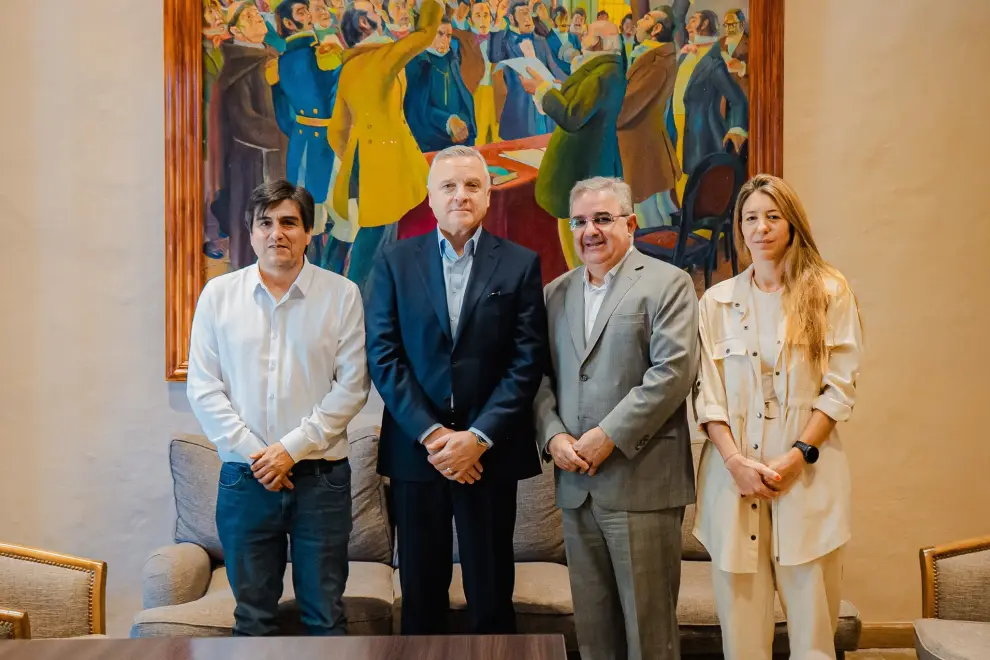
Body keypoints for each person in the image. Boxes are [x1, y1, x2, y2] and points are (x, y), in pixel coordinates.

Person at [365, 146, 548, 635]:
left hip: (490, 453)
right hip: (416, 452)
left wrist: (477, 438)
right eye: (448, 186)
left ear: (488, 195)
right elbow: (383, 356)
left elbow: (526, 361)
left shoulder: (520, 264)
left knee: (491, 594)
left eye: (471, 185)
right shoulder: (394, 262)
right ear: (430, 198)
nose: (460, 195)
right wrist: (434, 436)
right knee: (421, 596)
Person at [186, 180, 371, 636]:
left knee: (325, 618)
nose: (276, 233)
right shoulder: (218, 296)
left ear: (308, 232)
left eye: (289, 222)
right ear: (250, 232)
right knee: (252, 621)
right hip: (244, 477)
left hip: (320, 479)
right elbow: (203, 388)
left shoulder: (342, 294)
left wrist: (289, 450)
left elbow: (352, 387)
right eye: (264, 223)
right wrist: (258, 455)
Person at [693, 174, 864, 660]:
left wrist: (798, 455)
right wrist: (734, 462)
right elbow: (707, 394)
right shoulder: (716, 302)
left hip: (807, 480)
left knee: (813, 640)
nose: (761, 227)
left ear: (792, 224)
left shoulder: (830, 291)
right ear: (739, 228)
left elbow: (840, 388)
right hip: (733, 484)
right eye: (750, 218)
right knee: (742, 643)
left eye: (772, 216)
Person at [534, 176, 699, 660]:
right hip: (575, 485)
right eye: (579, 221)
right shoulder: (555, 293)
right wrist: (553, 435)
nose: (590, 231)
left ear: (630, 224)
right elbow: (536, 377)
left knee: (650, 638)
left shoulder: (669, 283)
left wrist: (607, 435)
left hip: (641, 482)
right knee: (594, 637)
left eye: (602, 219)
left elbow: (672, 373)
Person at [326, 0, 444, 291]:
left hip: (368, 162)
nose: (380, 11)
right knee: (377, 241)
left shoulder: (350, 66)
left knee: (377, 236)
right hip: (390, 164)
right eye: (374, 10)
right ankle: (357, 301)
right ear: (363, 24)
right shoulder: (382, 56)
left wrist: (359, 155)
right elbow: (425, 34)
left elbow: (336, 130)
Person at [530, 19, 626, 270]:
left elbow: (571, 116)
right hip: (589, 163)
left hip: (582, 167)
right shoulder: (606, 68)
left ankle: (583, 285)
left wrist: (542, 90)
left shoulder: (602, 74)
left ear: (596, 42)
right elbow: (581, 100)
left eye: (587, 34)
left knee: (579, 240)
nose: (582, 37)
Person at [616, 7, 680, 228]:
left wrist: (606, 118)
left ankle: (657, 249)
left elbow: (630, 104)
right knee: (654, 207)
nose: (639, 21)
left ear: (656, 29)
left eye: (646, 18)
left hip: (641, 143)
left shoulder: (657, 61)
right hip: (644, 140)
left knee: (647, 212)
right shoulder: (652, 54)